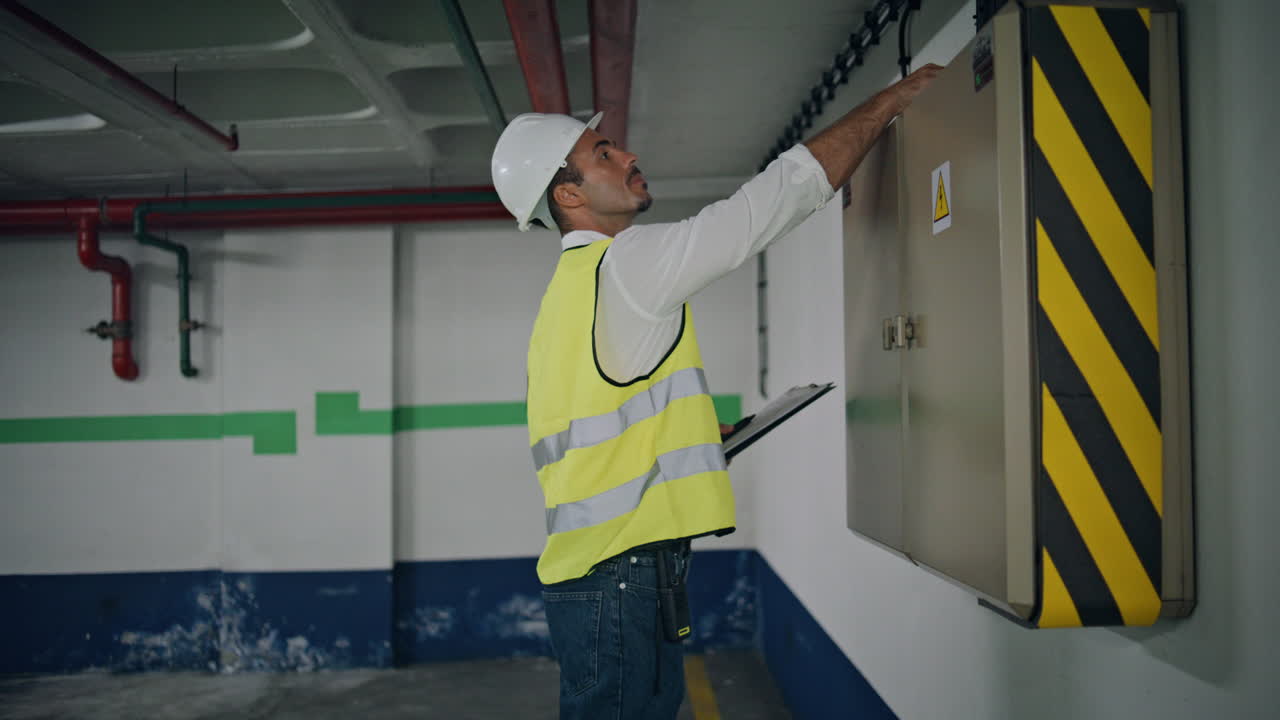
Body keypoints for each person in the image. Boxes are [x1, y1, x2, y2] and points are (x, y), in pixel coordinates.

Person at [490, 63, 941, 719]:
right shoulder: (624, 265)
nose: (627, 154)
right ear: (568, 196)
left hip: (606, 574)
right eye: (603, 152)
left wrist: (694, 440)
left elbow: (605, 427)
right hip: (621, 576)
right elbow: (769, 206)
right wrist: (892, 100)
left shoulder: (568, 297)